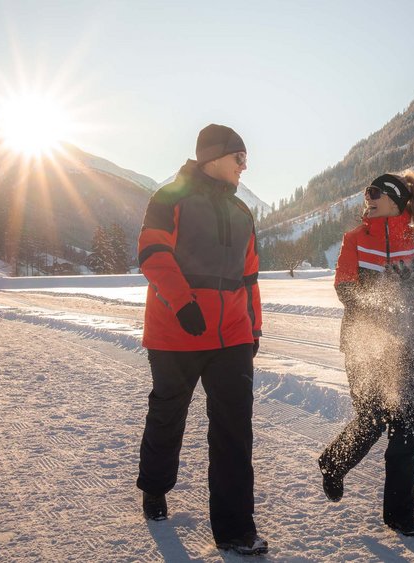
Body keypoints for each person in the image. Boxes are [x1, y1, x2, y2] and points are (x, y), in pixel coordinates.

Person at [136, 124, 267, 555]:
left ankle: (235, 530)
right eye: (239, 158)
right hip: (176, 330)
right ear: (214, 156)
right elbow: (153, 253)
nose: (245, 167)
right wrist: (183, 302)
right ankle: (155, 489)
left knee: (234, 430)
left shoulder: (242, 214)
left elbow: (250, 279)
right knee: (168, 415)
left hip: (231, 335)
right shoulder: (169, 198)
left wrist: (254, 328)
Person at [318, 170, 414, 536]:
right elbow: (344, 287)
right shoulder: (354, 238)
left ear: (396, 199)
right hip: (363, 343)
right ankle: (333, 464)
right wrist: (377, 306)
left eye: (375, 192)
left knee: (404, 428)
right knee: (371, 420)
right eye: (366, 192)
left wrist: (410, 279)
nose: (367, 197)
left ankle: (400, 514)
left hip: (406, 345)